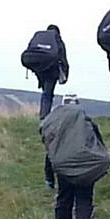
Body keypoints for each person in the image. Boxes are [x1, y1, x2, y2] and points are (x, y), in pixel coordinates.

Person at [40, 95, 110, 219]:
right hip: (87, 165)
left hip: (64, 165)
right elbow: (99, 144)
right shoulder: (86, 122)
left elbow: (50, 153)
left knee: (64, 197)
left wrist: (49, 178)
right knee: (84, 197)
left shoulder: (55, 125)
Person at [35, 25, 69, 189]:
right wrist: (65, 73)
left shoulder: (41, 39)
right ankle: (45, 116)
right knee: (48, 93)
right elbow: (63, 57)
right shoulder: (57, 40)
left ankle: (43, 115)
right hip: (52, 70)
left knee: (45, 93)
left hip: (40, 68)